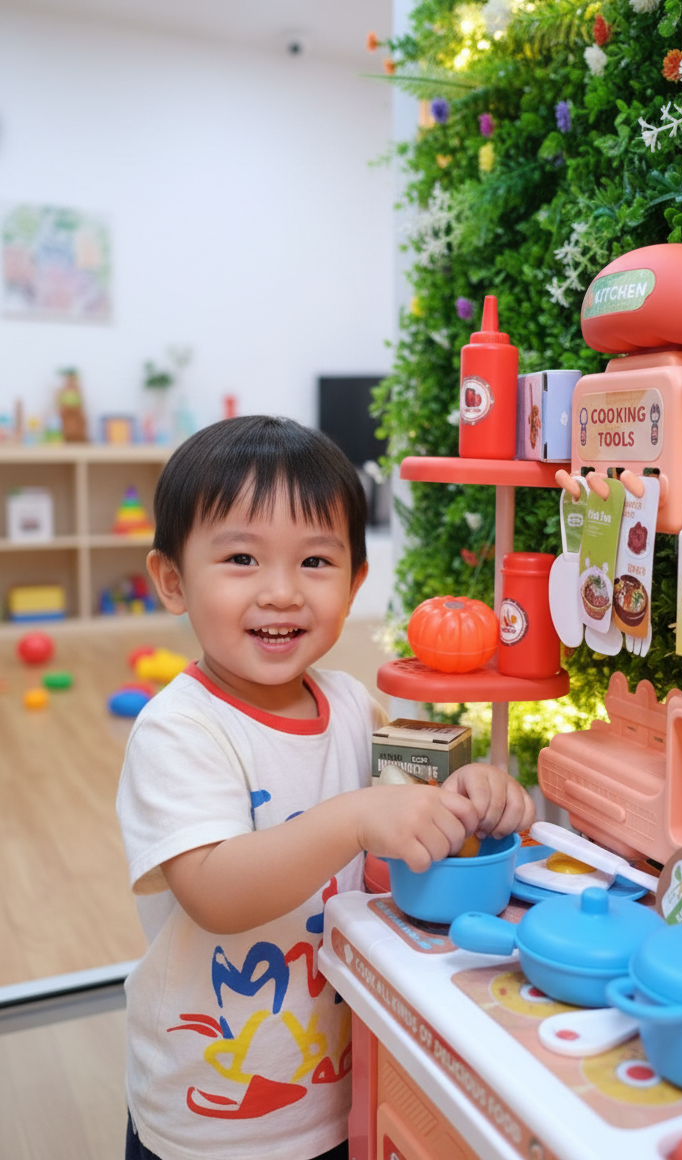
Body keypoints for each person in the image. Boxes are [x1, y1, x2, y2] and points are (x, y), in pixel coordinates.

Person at [116, 415, 535, 1160]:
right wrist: (355, 818)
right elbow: (216, 893)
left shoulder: (350, 704)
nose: (282, 593)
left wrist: (467, 795)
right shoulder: (179, 730)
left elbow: (399, 831)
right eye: (242, 557)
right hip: (215, 1111)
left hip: (342, 1084)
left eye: (315, 562)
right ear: (173, 581)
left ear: (355, 584)